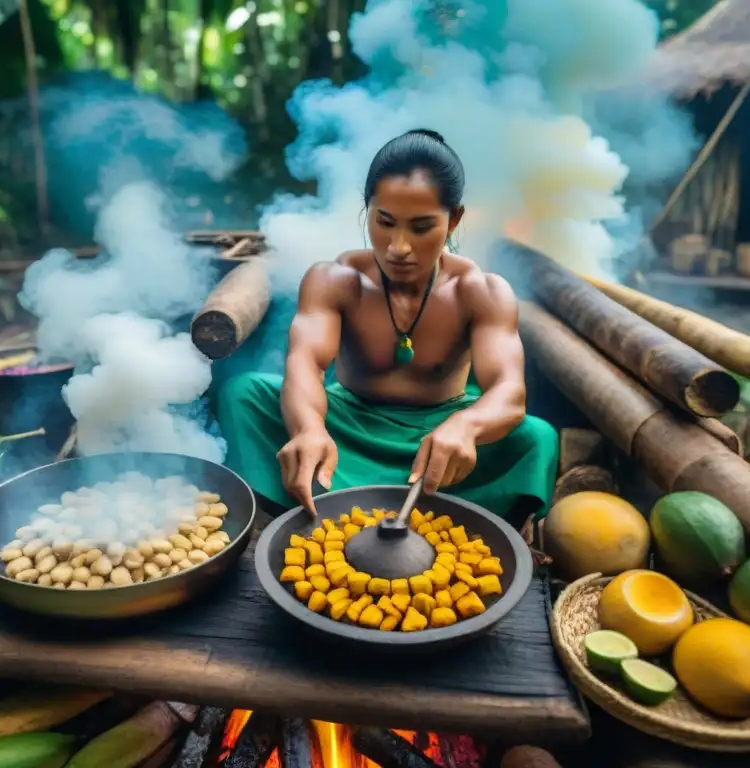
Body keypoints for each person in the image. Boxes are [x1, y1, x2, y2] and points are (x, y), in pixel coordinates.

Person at [216, 129, 558, 527]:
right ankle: (316, 497)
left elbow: (509, 393)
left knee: (537, 438)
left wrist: (467, 426)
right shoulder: (334, 279)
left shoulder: (480, 290)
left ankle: (373, 508)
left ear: (454, 220)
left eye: (421, 226)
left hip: (440, 439)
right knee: (244, 393)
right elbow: (306, 364)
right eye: (386, 222)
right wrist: (308, 428)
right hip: (345, 427)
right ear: (368, 210)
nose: (399, 246)